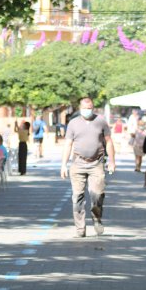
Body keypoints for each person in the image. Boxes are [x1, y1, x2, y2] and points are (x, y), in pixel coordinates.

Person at [60, 97, 116, 237]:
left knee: (97, 194)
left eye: (89, 108)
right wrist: (63, 165)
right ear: (80, 109)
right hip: (78, 163)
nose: (87, 111)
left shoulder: (101, 122)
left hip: (96, 163)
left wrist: (112, 161)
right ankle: (80, 228)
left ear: (93, 107)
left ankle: (97, 218)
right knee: (77, 197)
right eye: (85, 108)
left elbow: (108, 142)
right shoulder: (73, 123)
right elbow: (68, 144)